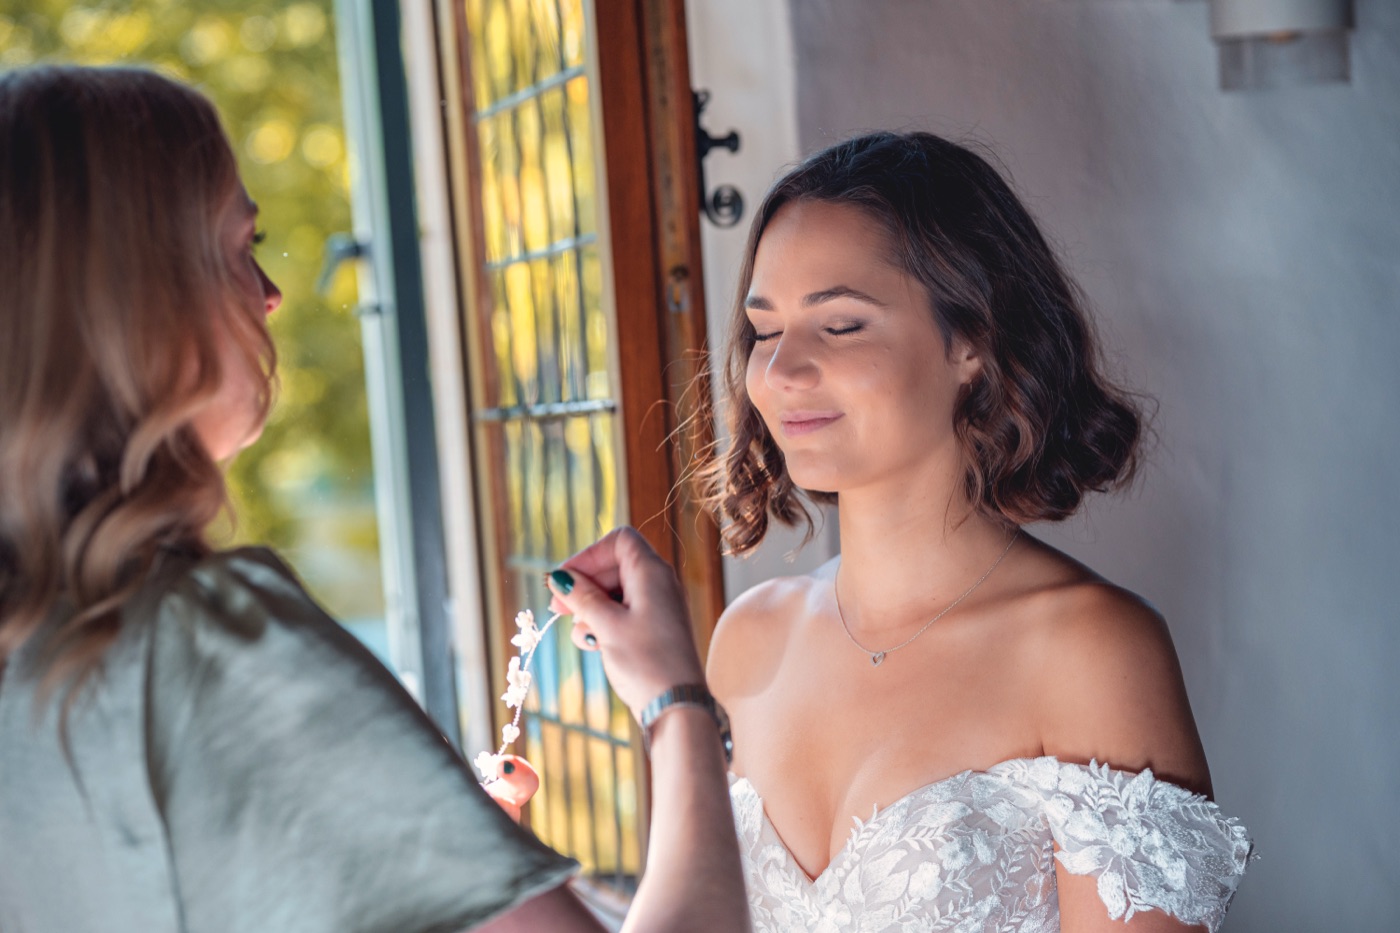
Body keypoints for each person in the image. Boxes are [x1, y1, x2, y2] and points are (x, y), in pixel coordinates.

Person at [0, 65, 747, 933]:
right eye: (241, 246)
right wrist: (676, 705)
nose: (271, 294)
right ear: (136, 298)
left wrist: (433, 867)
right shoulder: (218, 645)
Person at [700, 132, 1252, 932]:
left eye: (841, 324)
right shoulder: (748, 640)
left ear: (972, 340)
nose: (781, 371)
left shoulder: (1091, 650)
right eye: (764, 330)